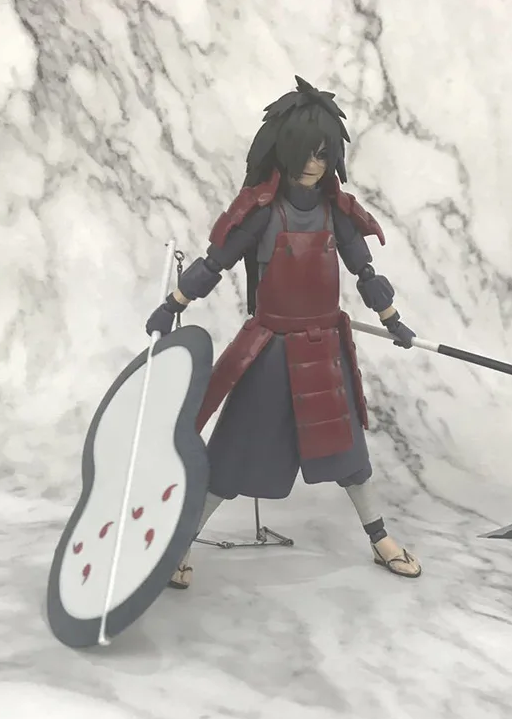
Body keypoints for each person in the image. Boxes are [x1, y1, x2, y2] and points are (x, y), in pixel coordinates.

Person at [145, 76, 422, 588]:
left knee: (349, 454)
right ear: (283, 149)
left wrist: (392, 319)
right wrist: (172, 304)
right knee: (233, 453)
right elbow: (214, 263)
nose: (313, 163)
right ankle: (181, 544)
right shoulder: (260, 212)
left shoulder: (337, 212)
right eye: (305, 151)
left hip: (324, 349)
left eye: (323, 153)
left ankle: (379, 536)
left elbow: (365, 272)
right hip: (270, 352)